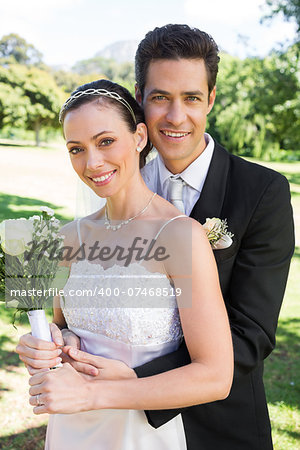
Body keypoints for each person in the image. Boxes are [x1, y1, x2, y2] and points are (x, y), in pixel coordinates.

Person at [17, 79, 233, 450]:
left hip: (141, 435)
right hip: (71, 430)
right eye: (76, 149)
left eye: (105, 141)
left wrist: (93, 395)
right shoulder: (69, 239)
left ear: (138, 137)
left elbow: (215, 376)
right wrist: (47, 344)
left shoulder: (179, 236)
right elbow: (62, 327)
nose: (92, 163)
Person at [131, 24, 294, 450]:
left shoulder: (263, 193)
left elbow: (251, 331)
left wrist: (133, 385)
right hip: (121, 426)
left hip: (219, 425)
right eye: (160, 97)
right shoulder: (118, 183)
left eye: (191, 98)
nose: (175, 116)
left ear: (212, 99)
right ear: (139, 98)